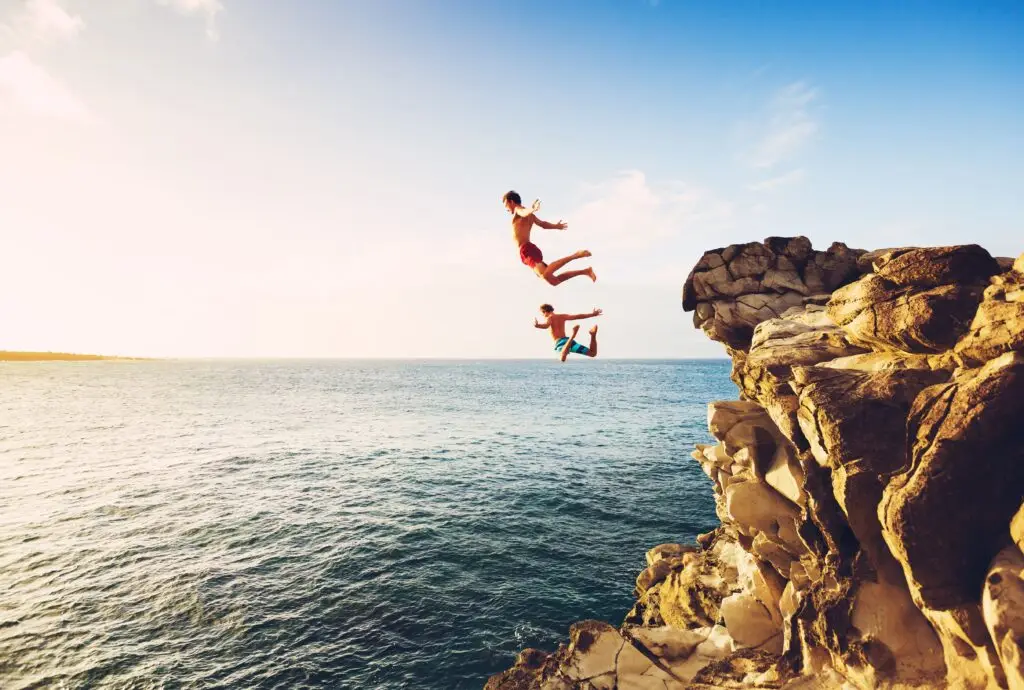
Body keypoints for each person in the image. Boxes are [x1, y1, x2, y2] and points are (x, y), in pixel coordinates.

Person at [503, 190, 597, 286]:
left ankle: (576, 255)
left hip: (526, 249)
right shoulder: (530, 216)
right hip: (528, 249)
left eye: (505, 204)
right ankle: (586, 271)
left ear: (512, 202)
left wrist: (532, 209)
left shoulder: (518, 211)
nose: (506, 208)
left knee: (545, 275)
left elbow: (523, 212)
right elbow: (542, 224)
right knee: (553, 281)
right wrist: (556, 226)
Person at [534, 304, 601, 362]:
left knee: (562, 358)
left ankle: (573, 335)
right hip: (569, 342)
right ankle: (593, 335)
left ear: (545, 311)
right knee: (592, 353)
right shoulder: (562, 316)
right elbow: (577, 316)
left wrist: (537, 325)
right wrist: (592, 314)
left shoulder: (549, 318)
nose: (543, 315)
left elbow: (546, 326)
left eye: (542, 314)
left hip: (561, 343)